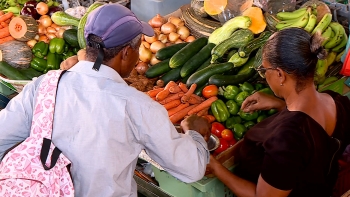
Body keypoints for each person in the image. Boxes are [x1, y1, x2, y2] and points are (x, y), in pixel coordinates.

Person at [0, 4, 211, 197]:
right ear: (127, 53)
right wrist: (194, 133)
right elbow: (191, 168)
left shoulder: (45, 86)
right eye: (137, 49)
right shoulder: (137, 106)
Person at [207, 28, 350, 197]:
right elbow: (312, 131)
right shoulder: (338, 102)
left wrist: (215, 167)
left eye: (265, 70)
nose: (264, 76)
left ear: (280, 75)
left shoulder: (288, 138)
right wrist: (280, 104)